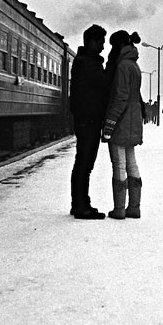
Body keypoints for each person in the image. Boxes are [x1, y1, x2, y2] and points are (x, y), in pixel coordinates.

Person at [68, 24, 109, 219]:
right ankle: (80, 205)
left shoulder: (85, 61)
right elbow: (105, 82)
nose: (102, 46)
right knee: (85, 163)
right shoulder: (87, 63)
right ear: (92, 41)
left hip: (87, 119)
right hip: (88, 120)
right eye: (100, 42)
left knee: (83, 163)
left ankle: (81, 202)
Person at [102, 30, 144, 220]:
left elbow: (120, 98)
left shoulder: (122, 67)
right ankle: (134, 207)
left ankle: (119, 208)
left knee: (119, 164)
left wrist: (109, 124)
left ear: (118, 46)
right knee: (132, 162)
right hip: (134, 120)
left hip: (121, 120)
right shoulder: (134, 65)